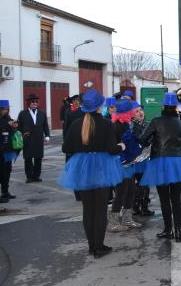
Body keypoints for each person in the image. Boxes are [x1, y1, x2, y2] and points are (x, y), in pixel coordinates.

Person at [58, 89, 126, 258]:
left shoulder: (76, 124)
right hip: (102, 169)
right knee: (100, 210)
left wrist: (82, 150)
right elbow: (111, 149)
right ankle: (99, 246)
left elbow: (66, 148)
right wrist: (121, 147)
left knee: (88, 210)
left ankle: (91, 246)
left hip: (82, 168)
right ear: (99, 106)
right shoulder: (105, 123)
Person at [139, 93, 181, 242]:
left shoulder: (156, 121)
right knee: (176, 199)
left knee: (164, 199)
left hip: (160, 162)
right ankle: (178, 231)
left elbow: (142, 139)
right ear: (176, 106)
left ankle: (167, 229)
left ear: (163, 106)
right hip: (178, 162)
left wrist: (151, 139)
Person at [108, 98, 140, 232]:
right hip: (121, 163)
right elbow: (118, 145)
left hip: (127, 162)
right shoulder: (120, 126)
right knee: (122, 192)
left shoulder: (123, 124)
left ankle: (127, 219)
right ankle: (113, 222)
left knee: (130, 190)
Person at [18, 94, 50, 183]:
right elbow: (19, 127)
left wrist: (47, 136)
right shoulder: (22, 113)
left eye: (36, 101)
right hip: (27, 139)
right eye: (33, 101)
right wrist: (21, 135)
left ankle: (36, 176)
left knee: (38, 158)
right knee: (28, 159)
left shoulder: (42, 113)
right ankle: (29, 176)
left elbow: (45, 126)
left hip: (38, 139)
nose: (35, 103)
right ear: (28, 103)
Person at [131, 104, 154, 216]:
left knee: (144, 183)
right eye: (137, 111)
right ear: (132, 114)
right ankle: (138, 206)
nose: (140, 113)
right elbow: (141, 140)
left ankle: (142, 206)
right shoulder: (133, 126)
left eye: (141, 110)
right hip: (137, 159)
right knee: (140, 183)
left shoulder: (146, 124)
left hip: (145, 158)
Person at [0, 100, 19, 201]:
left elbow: (10, 128)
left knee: (7, 171)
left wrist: (14, 126)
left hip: (8, 148)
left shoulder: (8, 117)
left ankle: (5, 191)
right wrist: (8, 125)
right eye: (4, 109)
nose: (6, 111)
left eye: (7, 109)